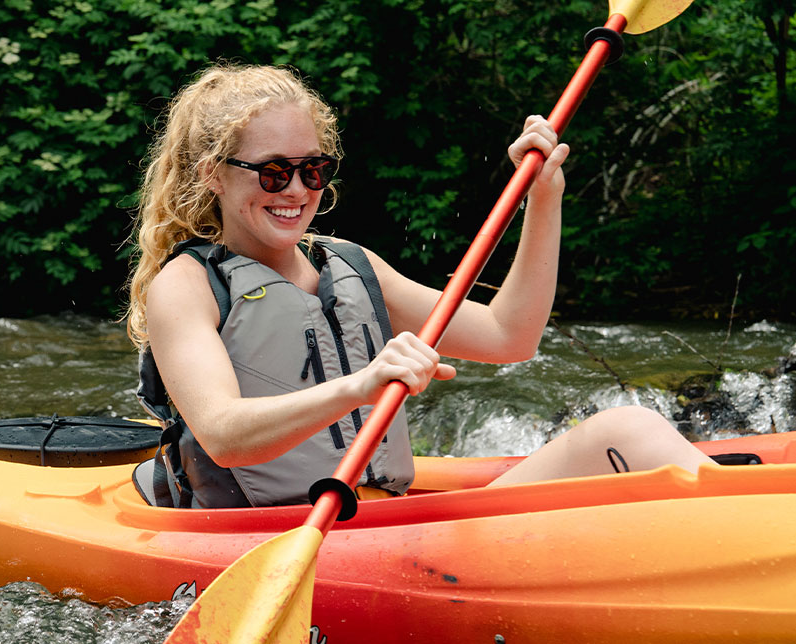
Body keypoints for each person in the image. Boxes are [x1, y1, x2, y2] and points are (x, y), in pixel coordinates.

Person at [126, 62, 713, 508]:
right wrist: (362, 385)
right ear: (212, 175)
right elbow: (226, 437)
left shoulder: (350, 266)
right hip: (272, 532)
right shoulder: (188, 285)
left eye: (313, 169)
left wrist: (544, 198)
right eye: (274, 170)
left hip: (389, 521)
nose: (298, 190)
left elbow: (510, 337)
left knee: (628, 428)